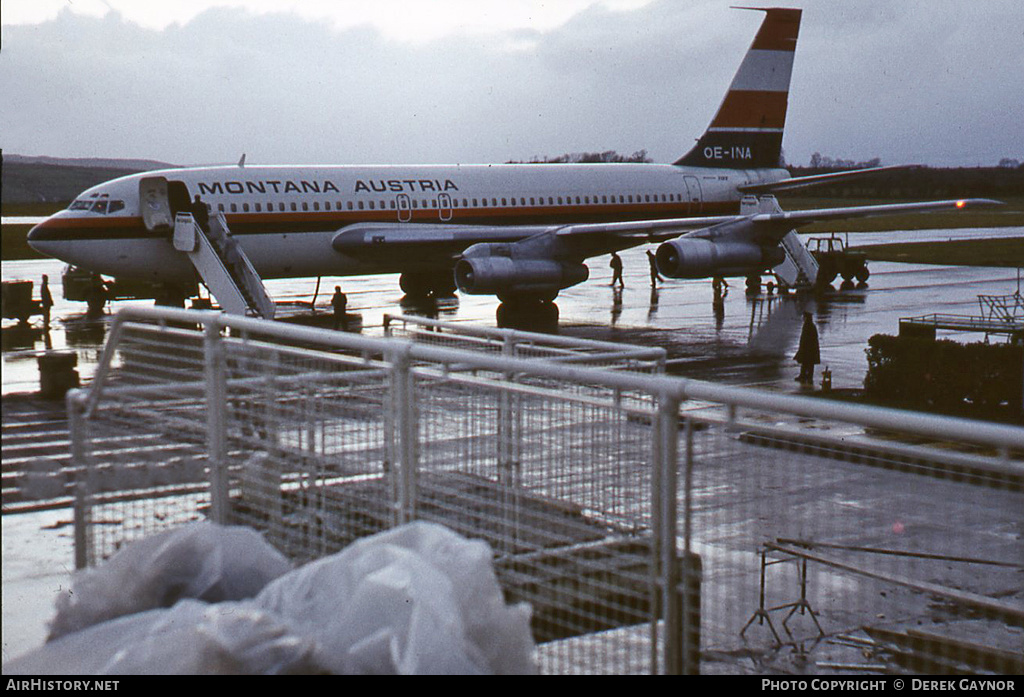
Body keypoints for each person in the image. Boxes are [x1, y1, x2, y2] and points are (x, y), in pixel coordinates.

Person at [794, 312, 820, 384]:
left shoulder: (807, 326)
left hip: (808, 347)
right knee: (809, 363)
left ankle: (804, 376)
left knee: (806, 362)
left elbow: (805, 338)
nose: (803, 318)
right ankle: (807, 376)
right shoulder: (811, 325)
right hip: (811, 347)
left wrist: (802, 347)